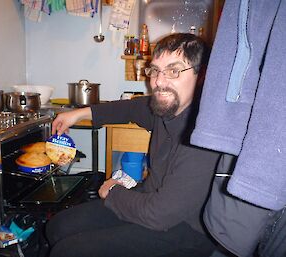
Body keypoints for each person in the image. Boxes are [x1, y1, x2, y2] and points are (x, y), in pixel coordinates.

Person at [45, 33, 220, 257]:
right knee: (57, 227)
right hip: (150, 200)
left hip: (185, 230)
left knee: (67, 251)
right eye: (155, 70)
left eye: (173, 71)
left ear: (201, 74)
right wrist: (78, 114)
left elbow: (160, 214)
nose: (158, 81)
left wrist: (114, 192)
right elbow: (130, 108)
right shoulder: (166, 108)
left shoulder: (203, 136)